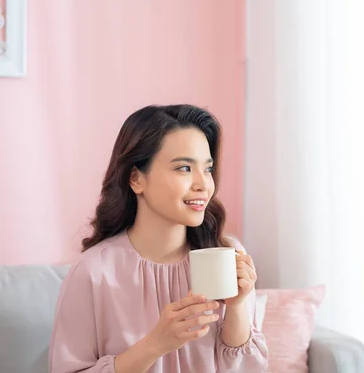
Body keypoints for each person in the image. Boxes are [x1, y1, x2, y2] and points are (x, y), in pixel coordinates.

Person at [48, 105, 269, 372]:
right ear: (136, 178)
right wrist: (156, 344)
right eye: (184, 168)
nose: (203, 184)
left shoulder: (226, 253)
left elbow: (247, 369)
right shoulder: (94, 273)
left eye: (207, 169)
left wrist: (236, 308)